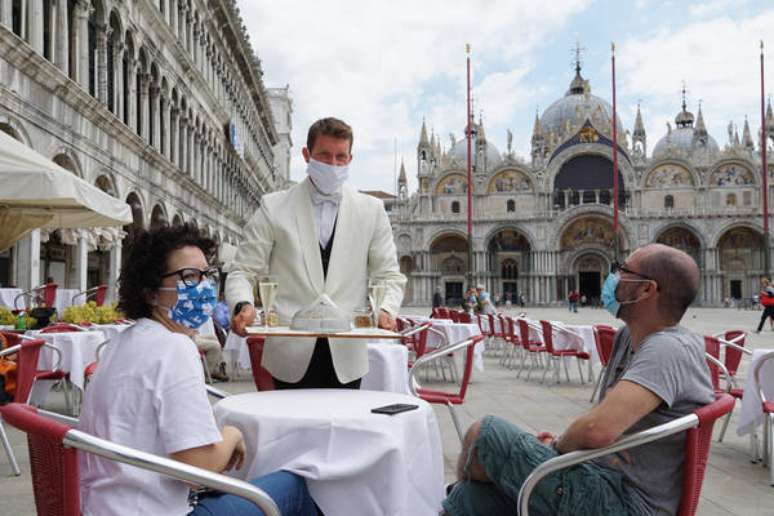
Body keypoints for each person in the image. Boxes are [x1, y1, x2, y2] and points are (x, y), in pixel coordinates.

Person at [442, 243, 714, 516]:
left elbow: (596, 430)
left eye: (623, 270)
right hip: (601, 477)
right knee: (471, 497)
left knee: (484, 435)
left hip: (628, 502)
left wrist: (557, 447)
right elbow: (602, 425)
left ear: (646, 289)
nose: (614, 277)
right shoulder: (628, 338)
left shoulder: (668, 348)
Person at [78, 224, 316, 516]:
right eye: (188, 277)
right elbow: (197, 469)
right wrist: (232, 435)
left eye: (207, 275)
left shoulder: (121, 342)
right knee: (302, 485)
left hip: (105, 505)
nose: (203, 286)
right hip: (152, 509)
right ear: (152, 293)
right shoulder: (174, 348)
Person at [226, 117, 405, 389]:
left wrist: (386, 309)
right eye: (324, 156)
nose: (333, 164)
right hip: (289, 355)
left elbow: (389, 275)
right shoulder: (273, 207)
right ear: (306, 155)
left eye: (340, 157)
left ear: (350, 158)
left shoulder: (372, 210)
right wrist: (243, 304)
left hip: (348, 353)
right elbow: (243, 270)